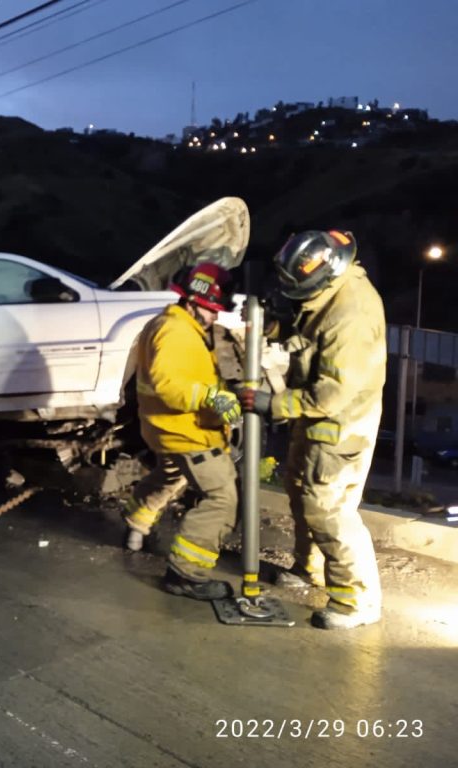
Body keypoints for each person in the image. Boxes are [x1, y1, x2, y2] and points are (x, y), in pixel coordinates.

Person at [238, 230, 385, 630]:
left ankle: (357, 600)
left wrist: (276, 404)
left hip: (340, 427)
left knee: (330, 509)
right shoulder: (331, 294)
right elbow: (309, 338)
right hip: (318, 422)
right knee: (301, 493)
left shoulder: (350, 316)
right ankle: (310, 569)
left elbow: (333, 393)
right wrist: (273, 329)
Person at [123, 262, 243, 600]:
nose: (215, 317)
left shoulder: (168, 324)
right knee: (221, 498)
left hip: (163, 430)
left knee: (169, 475)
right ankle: (186, 573)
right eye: (211, 309)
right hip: (186, 433)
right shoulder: (175, 331)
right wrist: (210, 396)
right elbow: (168, 385)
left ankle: (135, 525)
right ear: (191, 301)